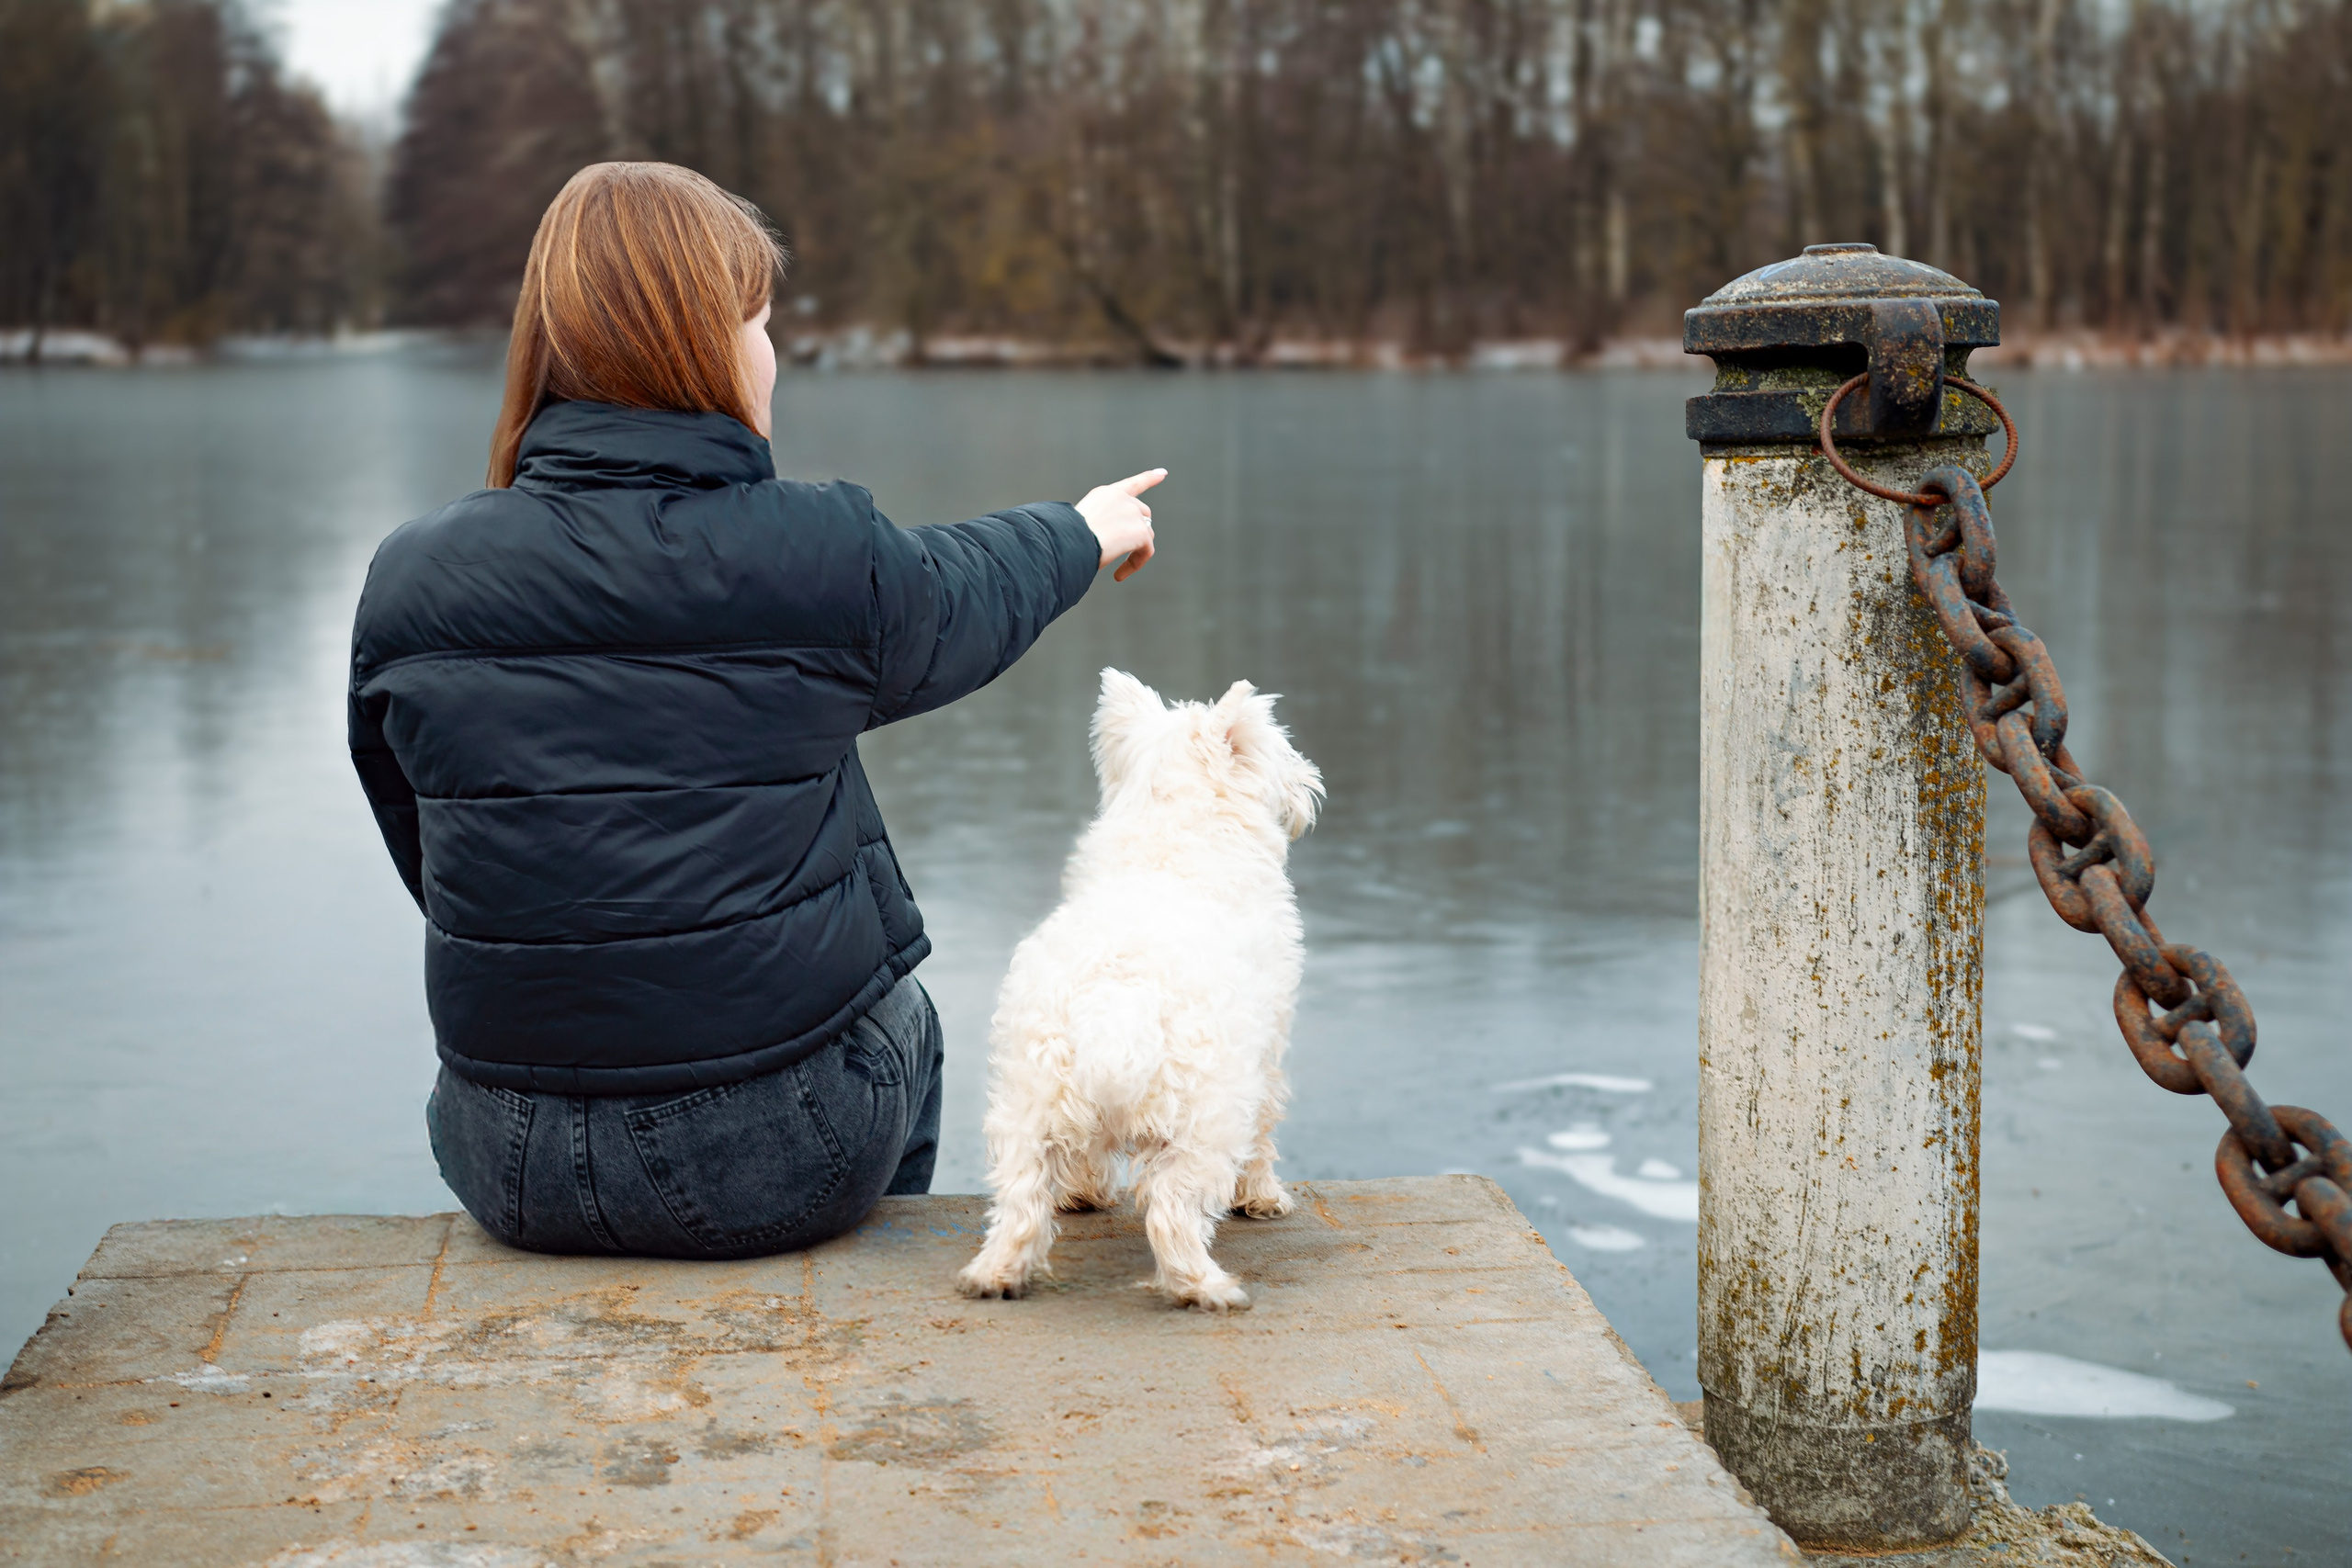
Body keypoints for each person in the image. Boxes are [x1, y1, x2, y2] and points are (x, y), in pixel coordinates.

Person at [347, 162, 1159, 1259]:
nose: (771, 352)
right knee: (903, 1017)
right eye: (760, 322)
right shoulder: (812, 552)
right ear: (703, 343)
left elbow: (429, 849)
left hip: (505, 1156)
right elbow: (955, 597)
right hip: (768, 1157)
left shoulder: (409, 577)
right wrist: (1083, 529)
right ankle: (862, 1303)